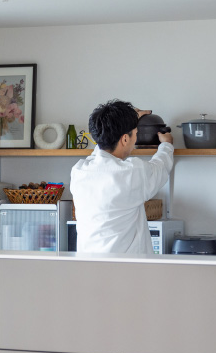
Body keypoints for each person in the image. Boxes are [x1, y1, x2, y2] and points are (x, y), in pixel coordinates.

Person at [69, 99, 174, 254]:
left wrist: (125, 121)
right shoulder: (132, 171)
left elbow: (101, 150)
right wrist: (167, 145)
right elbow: (161, 167)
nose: (136, 139)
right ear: (125, 139)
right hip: (126, 266)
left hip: (89, 264)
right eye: (136, 134)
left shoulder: (79, 171)